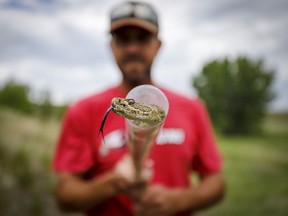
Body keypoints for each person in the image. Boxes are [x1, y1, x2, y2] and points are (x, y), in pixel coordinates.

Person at [52, 1, 225, 216]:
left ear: (158, 45)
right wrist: (114, 183)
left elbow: (216, 183)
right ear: (112, 46)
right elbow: (64, 195)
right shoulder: (82, 110)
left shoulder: (192, 108)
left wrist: (179, 200)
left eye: (142, 39)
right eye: (123, 40)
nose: (132, 48)